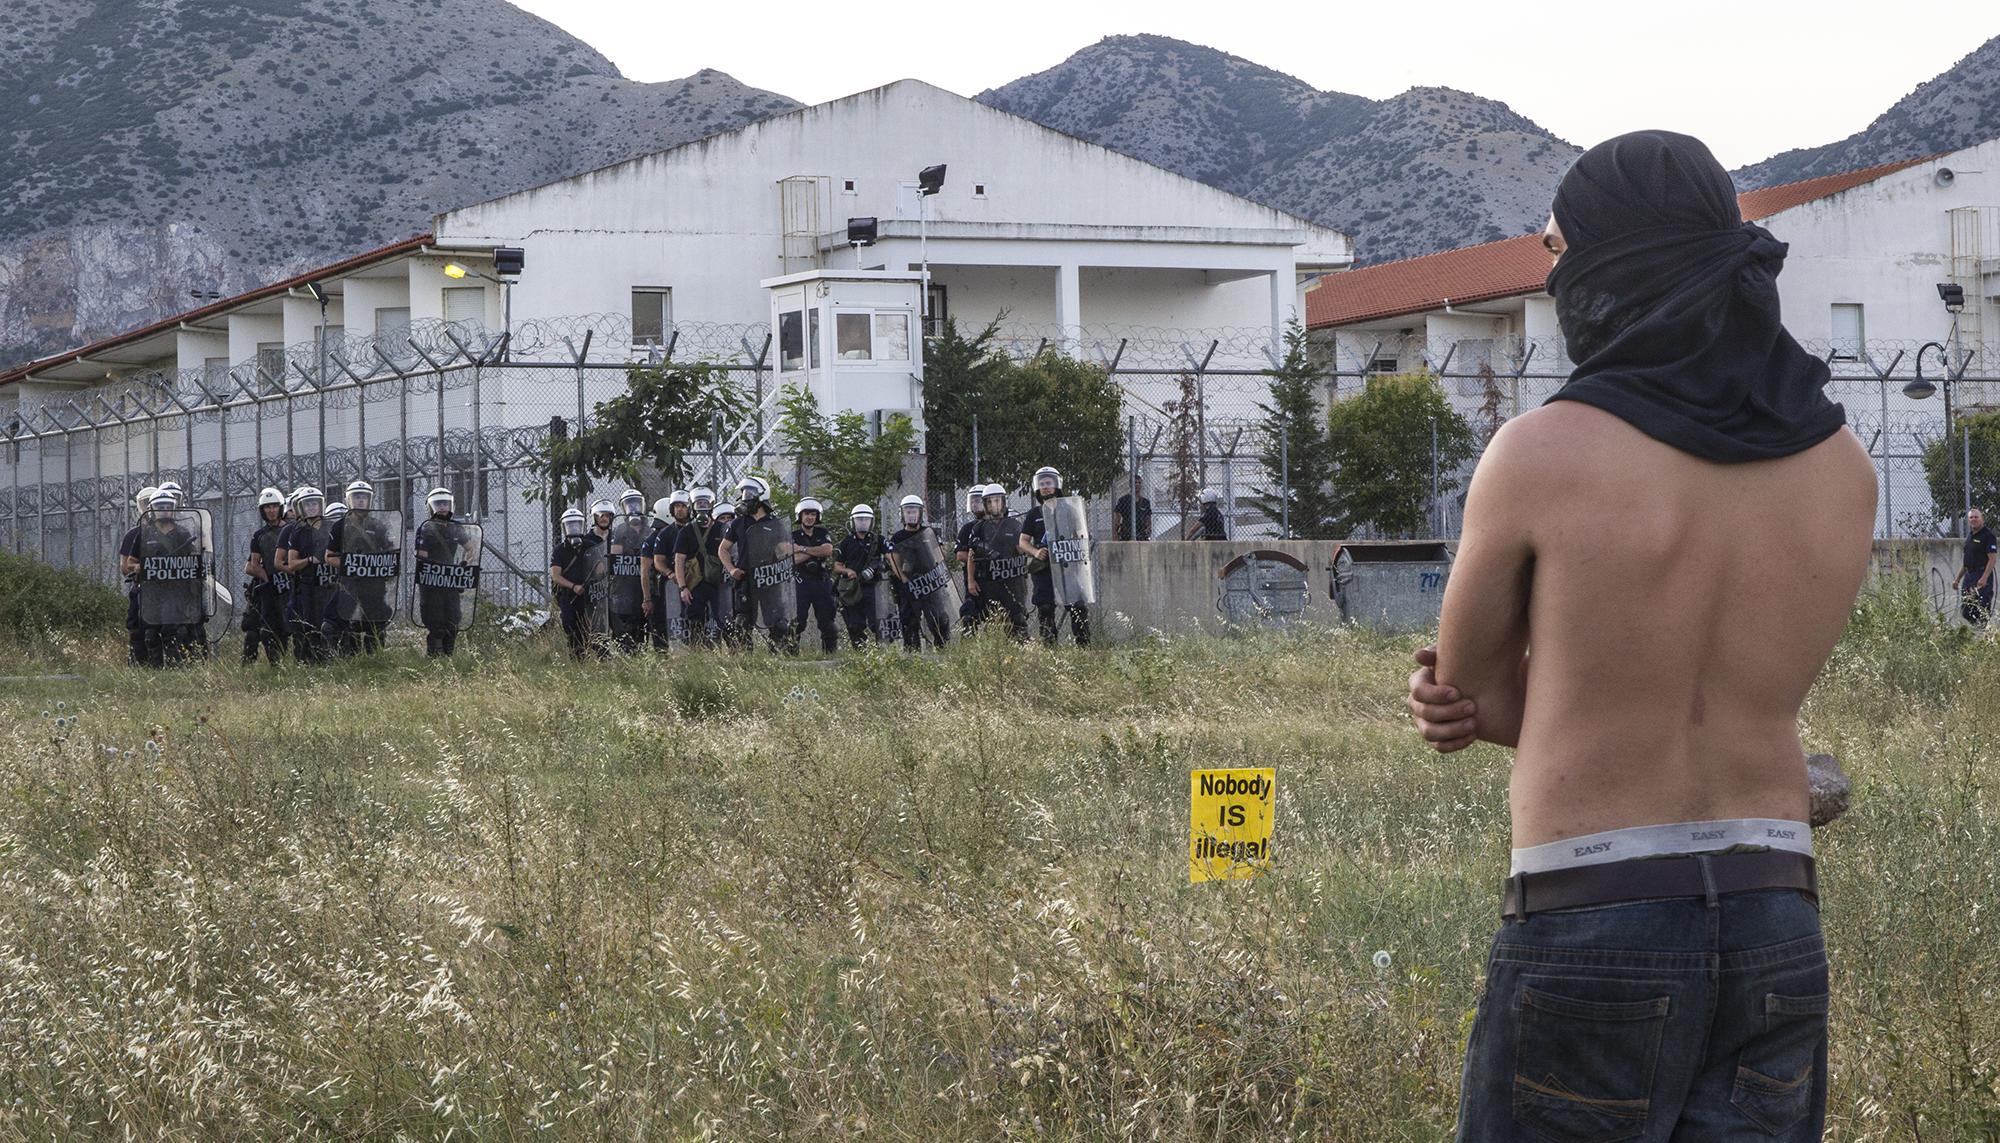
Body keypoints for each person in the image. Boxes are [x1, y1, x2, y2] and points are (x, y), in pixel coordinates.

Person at [1404, 131, 1875, 1140]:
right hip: (1773, 910)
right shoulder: (1841, 466)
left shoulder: (1540, 453)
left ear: (1610, 270)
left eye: (1555, 249)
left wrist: (1463, 703)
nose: (1553, 271)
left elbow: (1476, 695)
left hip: (1591, 906)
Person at [718, 476, 797, 654]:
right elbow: (723, 549)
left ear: (761, 496)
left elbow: (784, 549)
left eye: (749, 493)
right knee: (742, 622)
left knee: (778, 622)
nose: (745, 497)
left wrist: (793, 553)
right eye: (744, 493)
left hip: (770, 578)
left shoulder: (775, 523)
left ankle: (776, 657)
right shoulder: (738, 523)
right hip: (745, 579)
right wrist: (732, 569)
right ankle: (746, 661)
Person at [131, 488, 205, 667]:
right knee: (150, 634)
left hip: (176, 593)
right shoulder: (144, 533)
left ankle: (175, 669)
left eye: (167, 506)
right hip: (151, 593)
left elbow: (194, 562)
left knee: (173, 631)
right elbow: (129, 563)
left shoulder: (183, 534)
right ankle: (155, 671)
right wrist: (141, 567)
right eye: (160, 506)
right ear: (152, 509)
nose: (164, 509)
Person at [1020, 466, 1091, 646]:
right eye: (1042, 483)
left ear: (1057, 485)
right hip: (1044, 568)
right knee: (1045, 608)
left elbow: (1081, 536)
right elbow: (1022, 542)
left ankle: (1084, 647)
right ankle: (1050, 651)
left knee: (1078, 607)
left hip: (1067, 567)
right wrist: (1036, 551)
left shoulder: (1069, 510)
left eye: (1049, 483)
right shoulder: (1034, 514)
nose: (1045, 487)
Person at [325, 480, 395, 656]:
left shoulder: (377, 525)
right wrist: (351, 567)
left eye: (364, 497)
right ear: (349, 499)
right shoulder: (339, 526)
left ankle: (374, 659)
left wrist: (384, 566)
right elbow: (329, 557)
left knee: (376, 623)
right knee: (340, 622)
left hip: (374, 584)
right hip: (350, 584)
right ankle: (348, 658)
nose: (361, 501)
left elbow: (391, 552)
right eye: (356, 496)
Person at [413, 486, 479, 657]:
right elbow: (422, 557)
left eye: (445, 503)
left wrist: (463, 564)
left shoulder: (455, 527)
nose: (442, 507)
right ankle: (434, 659)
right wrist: (436, 568)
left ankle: (449, 658)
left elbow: (471, 549)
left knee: (453, 619)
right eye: (438, 504)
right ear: (431, 506)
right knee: (435, 622)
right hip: (431, 582)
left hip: (450, 580)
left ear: (451, 505)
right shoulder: (426, 529)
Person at [888, 493, 953, 650]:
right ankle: (912, 653)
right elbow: (893, 561)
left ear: (920, 513)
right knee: (909, 621)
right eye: (908, 511)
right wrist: (904, 580)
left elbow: (940, 556)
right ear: (903, 514)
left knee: (938, 618)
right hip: (909, 584)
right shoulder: (897, 537)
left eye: (914, 511)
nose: (911, 515)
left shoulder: (929, 533)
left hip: (930, 582)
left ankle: (942, 648)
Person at [277, 486, 332, 663]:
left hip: (331, 584)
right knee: (311, 627)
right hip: (309, 586)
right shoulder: (298, 532)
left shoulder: (331, 527)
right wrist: (310, 560)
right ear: (301, 507)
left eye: (315, 503)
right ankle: (313, 662)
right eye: (307, 505)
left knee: (333, 624)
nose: (311, 508)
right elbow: (291, 563)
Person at [974, 484, 1029, 640]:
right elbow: (972, 550)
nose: (994, 505)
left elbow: (1022, 548)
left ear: (1003, 502)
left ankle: (1022, 647)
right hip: (990, 580)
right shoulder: (980, 527)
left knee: (1017, 616)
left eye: (997, 501)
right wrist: (972, 580)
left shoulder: (1015, 524)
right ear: (985, 505)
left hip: (1013, 578)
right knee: (994, 618)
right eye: (989, 502)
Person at [242, 486, 290, 665]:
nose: (271, 510)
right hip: (270, 589)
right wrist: (267, 578)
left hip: (291, 585)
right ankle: (276, 666)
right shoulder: (259, 536)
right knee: (269, 629)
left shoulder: (292, 530)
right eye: (267, 507)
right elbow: (253, 565)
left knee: (289, 627)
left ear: (281, 507)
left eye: (274, 506)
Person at [675, 488, 727, 648]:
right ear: (693, 506)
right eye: (699, 503)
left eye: (705, 503)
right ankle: (697, 653)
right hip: (695, 583)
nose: (702, 506)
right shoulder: (686, 531)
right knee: (695, 621)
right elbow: (679, 560)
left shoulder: (722, 528)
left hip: (718, 582)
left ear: (711, 506)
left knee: (724, 619)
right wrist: (683, 587)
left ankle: (735, 653)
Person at [834, 502, 889, 647]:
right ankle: (860, 652)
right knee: (855, 625)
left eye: (866, 519)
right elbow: (837, 566)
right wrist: (848, 571)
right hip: (853, 587)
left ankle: (883, 651)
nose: (863, 522)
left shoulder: (879, 540)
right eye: (859, 519)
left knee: (878, 622)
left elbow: (891, 557)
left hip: (874, 587)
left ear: (871, 521)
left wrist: (882, 566)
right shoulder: (846, 542)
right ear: (853, 521)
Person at [549, 506, 601, 659]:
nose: (574, 528)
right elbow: (555, 576)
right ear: (564, 527)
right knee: (571, 630)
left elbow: (600, 569)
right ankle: (577, 660)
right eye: (570, 525)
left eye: (577, 524)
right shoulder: (560, 550)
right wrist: (573, 586)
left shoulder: (591, 545)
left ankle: (598, 661)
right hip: (569, 597)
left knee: (592, 630)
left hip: (589, 597)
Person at [791, 497, 839, 654]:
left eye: (813, 514)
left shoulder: (822, 532)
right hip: (800, 583)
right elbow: (792, 559)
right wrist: (815, 552)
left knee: (828, 623)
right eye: (806, 514)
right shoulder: (792, 535)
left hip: (821, 582)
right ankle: (792, 656)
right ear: (800, 515)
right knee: (797, 622)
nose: (810, 517)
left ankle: (830, 656)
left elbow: (827, 550)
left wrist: (802, 549)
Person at [642, 491, 690, 650]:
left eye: (683, 506)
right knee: (663, 622)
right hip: (668, 586)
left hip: (693, 582)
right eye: (676, 506)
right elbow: (657, 562)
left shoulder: (695, 529)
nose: (680, 510)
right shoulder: (665, 534)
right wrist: (670, 574)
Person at [605, 490, 649, 653]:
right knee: (623, 630)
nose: (634, 507)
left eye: (637, 503)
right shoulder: (619, 530)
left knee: (641, 628)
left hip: (642, 584)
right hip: (623, 585)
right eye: (630, 504)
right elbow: (615, 556)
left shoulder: (648, 530)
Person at [120, 485, 159, 666]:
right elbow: (125, 566)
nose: (148, 507)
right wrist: (140, 568)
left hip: (168, 589)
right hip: (143, 587)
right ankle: (139, 663)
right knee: (137, 630)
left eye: (151, 503)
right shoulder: (133, 534)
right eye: (145, 503)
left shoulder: (173, 531)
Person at [956, 485, 991, 631]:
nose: (976, 504)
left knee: (994, 616)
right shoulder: (967, 528)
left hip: (993, 576)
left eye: (979, 501)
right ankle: (968, 648)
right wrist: (979, 556)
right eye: (974, 501)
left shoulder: (996, 524)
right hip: (974, 577)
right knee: (969, 615)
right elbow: (960, 555)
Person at [1955, 506, 1996, 626]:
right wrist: (1957, 579)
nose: (1974, 519)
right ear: (1968, 520)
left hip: (1981, 576)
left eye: (1976, 517)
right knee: (1965, 611)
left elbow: (1992, 559)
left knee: (1982, 609)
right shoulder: (1970, 536)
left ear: (1982, 519)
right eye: (1971, 517)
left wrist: (1984, 577)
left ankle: (1985, 635)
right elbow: (1966, 562)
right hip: (1969, 576)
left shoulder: (1988, 536)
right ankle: (1980, 631)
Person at [1112, 474, 1153, 541]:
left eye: (1139, 483)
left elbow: (1148, 518)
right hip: (1126, 534)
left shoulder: (1145, 502)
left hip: (1141, 534)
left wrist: (1148, 529)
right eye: (1135, 482)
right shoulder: (1123, 500)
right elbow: (1117, 519)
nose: (1137, 484)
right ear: (1130, 485)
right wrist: (1115, 534)